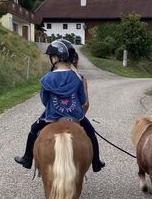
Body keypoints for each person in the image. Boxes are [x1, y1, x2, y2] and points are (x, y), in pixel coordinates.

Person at [14, 39, 105, 172]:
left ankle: (27, 159)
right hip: (76, 117)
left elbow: (44, 100)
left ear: (56, 58)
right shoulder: (78, 78)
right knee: (91, 133)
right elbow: (83, 99)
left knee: (33, 130)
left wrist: (53, 107)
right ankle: (96, 162)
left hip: (52, 116)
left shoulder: (46, 78)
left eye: (51, 56)